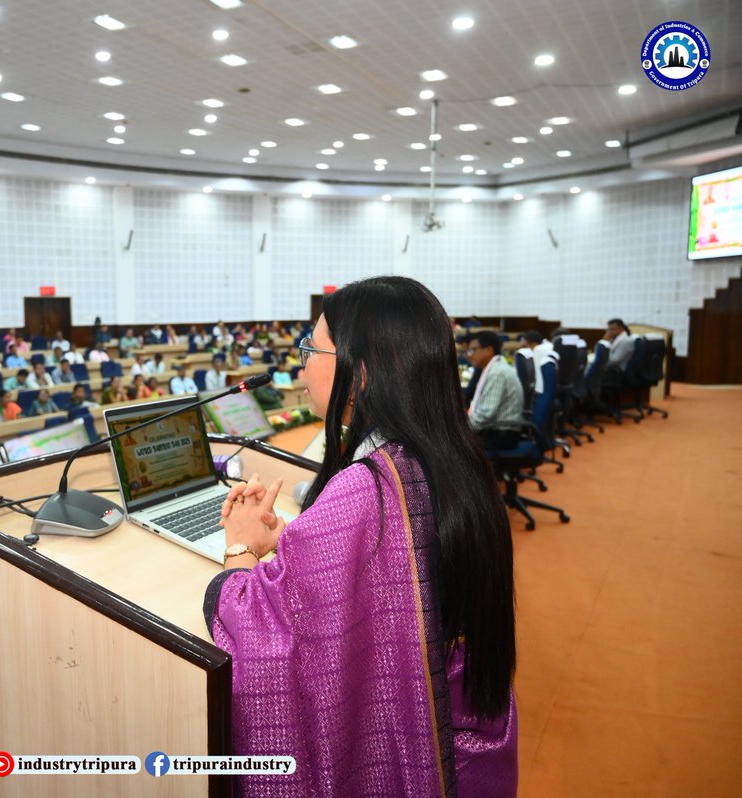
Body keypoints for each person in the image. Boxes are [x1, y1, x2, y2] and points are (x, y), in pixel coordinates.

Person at [204, 276, 517, 796]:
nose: (301, 364)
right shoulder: (449, 456)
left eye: (312, 348)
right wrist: (294, 543)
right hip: (465, 750)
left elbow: (266, 631)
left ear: (362, 371)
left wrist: (239, 549)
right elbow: (400, 577)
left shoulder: (364, 488)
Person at [467, 331, 526, 449]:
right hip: (496, 430)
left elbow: (484, 415)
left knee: (451, 448)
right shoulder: (495, 368)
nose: (469, 355)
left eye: (473, 350)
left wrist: (458, 431)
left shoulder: (497, 373)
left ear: (489, 350)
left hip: (502, 435)